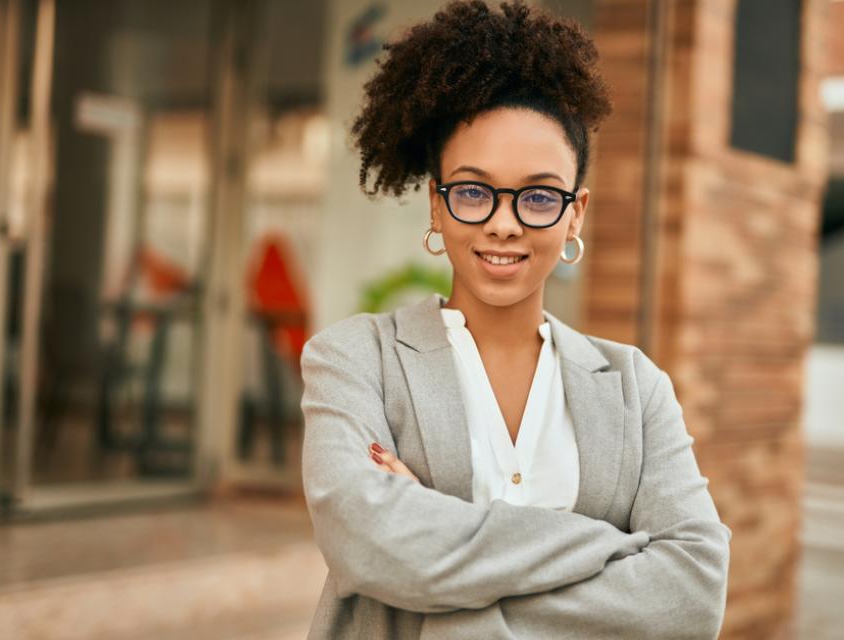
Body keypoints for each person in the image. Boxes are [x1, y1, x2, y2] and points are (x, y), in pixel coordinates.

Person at [299, 1, 731, 638]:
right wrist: (613, 547)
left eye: (537, 196)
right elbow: (368, 547)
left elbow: (691, 593)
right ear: (437, 203)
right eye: (473, 191)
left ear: (574, 213)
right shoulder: (356, 360)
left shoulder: (636, 388)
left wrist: (433, 535)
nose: (504, 222)